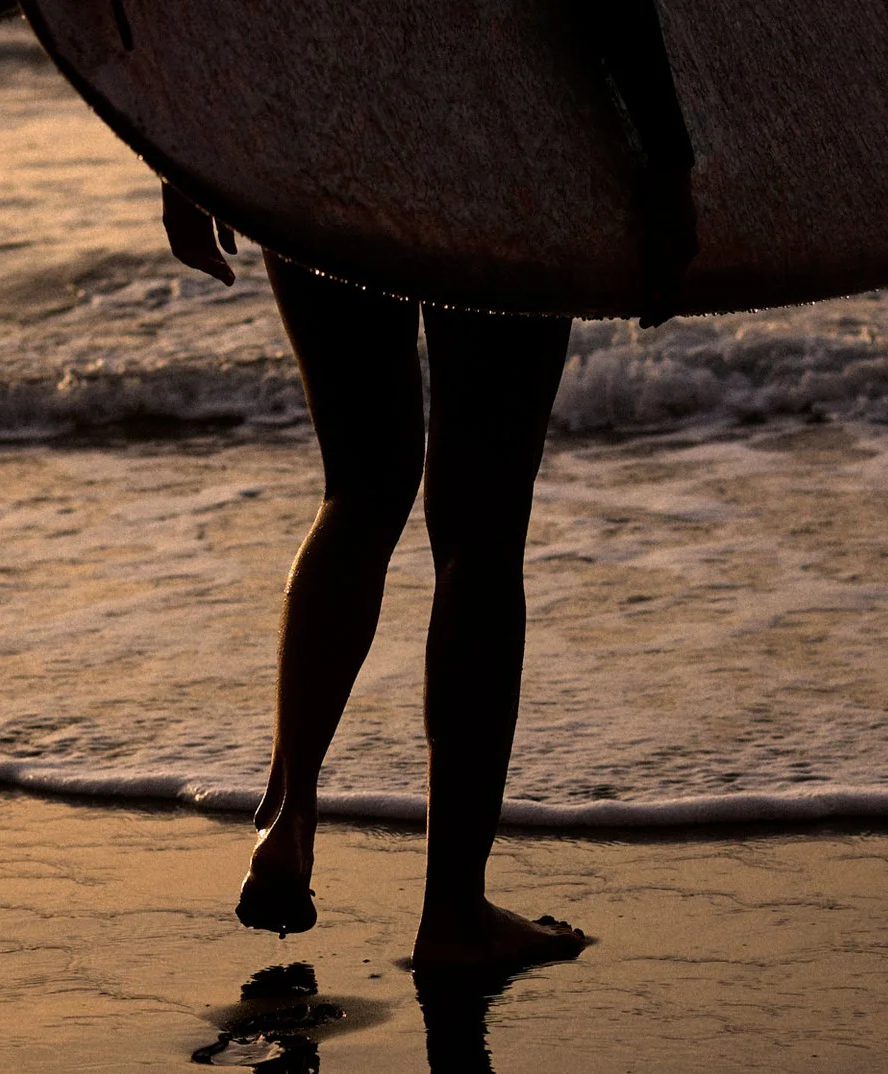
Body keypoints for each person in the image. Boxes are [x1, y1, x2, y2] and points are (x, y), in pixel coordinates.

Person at [163, 189, 591, 973]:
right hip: (493, 154)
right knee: (479, 534)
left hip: (309, 142)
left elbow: (178, 56)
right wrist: (666, 171)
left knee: (360, 487)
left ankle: (289, 815)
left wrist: (182, 166)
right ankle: (455, 912)